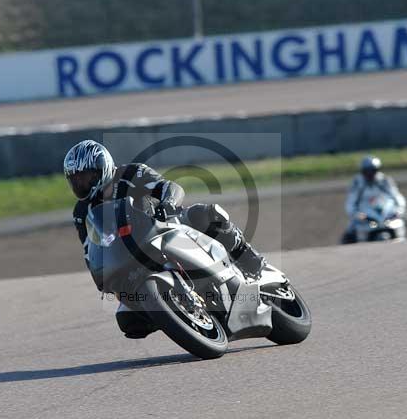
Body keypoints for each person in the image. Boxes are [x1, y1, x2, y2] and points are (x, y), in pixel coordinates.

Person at [64, 139, 266, 338]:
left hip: (165, 226)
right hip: (130, 259)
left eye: (86, 177)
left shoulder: (130, 173)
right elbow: (90, 247)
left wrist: (168, 202)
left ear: (103, 167)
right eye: (76, 180)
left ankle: (249, 258)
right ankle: (172, 313)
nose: (81, 183)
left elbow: (170, 187)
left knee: (206, 213)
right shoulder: (82, 212)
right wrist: (100, 274)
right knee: (128, 321)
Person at [341, 155, 407, 244]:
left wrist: (399, 209)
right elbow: (351, 202)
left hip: (385, 215)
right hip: (366, 216)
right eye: (367, 171)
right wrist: (355, 214)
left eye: (372, 171)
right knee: (350, 230)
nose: (370, 174)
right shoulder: (358, 183)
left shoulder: (384, 181)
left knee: (404, 217)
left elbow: (396, 196)